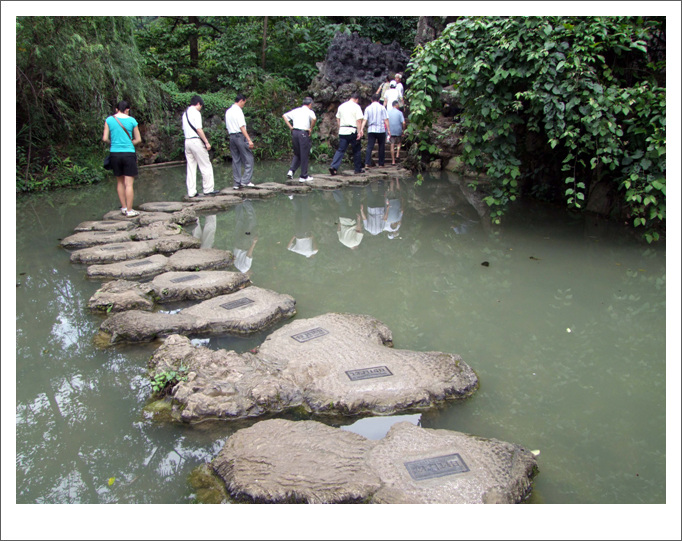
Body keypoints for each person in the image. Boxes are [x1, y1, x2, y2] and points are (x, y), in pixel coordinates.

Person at [102, 100, 142, 217]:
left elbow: (104, 138)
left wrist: (112, 143)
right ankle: (130, 211)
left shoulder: (109, 120)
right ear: (127, 110)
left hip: (114, 154)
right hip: (128, 153)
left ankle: (124, 207)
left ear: (116, 109)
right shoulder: (132, 121)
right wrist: (130, 143)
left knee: (120, 182)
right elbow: (138, 139)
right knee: (129, 184)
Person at [182, 95, 218, 198]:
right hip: (196, 141)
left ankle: (191, 191)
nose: (200, 108)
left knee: (191, 167)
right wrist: (206, 142)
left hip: (187, 141)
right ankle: (208, 189)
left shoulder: (185, 114)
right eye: (200, 106)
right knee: (205, 165)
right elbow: (199, 129)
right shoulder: (196, 113)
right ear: (198, 103)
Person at [329, 92, 365, 176]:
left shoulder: (342, 106)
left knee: (341, 150)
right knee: (356, 150)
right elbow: (359, 120)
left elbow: (337, 118)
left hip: (343, 130)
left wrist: (340, 126)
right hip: (352, 130)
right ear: (357, 99)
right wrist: (359, 132)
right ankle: (357, 169)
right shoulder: (356, 106)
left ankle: (334, 167)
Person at [282, 97, 317, 182]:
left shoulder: (296, 110)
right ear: (310, 104)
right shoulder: (309, 111)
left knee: (297, 153)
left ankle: (291, 171)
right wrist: (311, 128)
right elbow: (314, 119)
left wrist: (291, 127)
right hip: (303, 133)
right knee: (304, 154)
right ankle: (303, 176)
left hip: (295, 133)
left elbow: (284, 116)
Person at [225, 93, 255, 190]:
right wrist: (249, 140)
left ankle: (237, 183)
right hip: (240, 136)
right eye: (244, 103)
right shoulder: (238, 111)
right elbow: (241, 126)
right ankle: (245, 181)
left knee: (236, 159)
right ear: (241, 100)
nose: (243, 105)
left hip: (232, 137)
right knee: (249, 158)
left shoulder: (228, 111)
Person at [362, 94, 390, 168]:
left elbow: (365, 119)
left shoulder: (368, 108)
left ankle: (367, 163)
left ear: (371, 99)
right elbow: (386, 119)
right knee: (381, 146)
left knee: (369, 147)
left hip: (371, 130)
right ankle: (381, 163)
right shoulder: (382, 108)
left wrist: (361, 128)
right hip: (381, 129)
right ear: (378, 100)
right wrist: (389, 130)